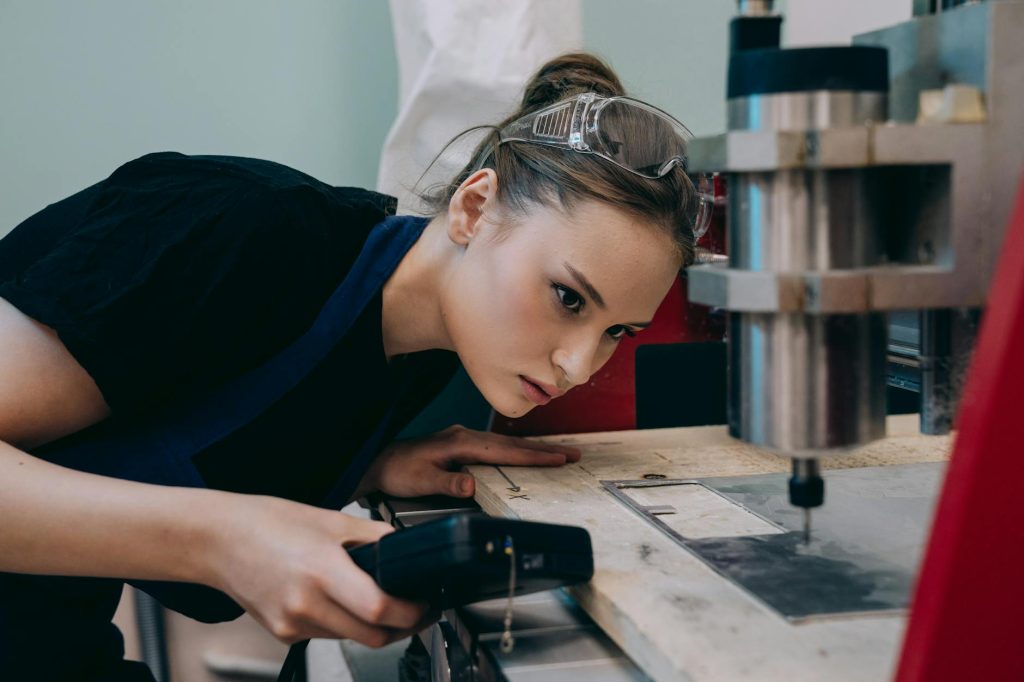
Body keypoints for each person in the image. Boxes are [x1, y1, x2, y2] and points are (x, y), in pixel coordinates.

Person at [0, 53, 703, 681]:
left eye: (618, 330)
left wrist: (362, 466)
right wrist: (221, 541)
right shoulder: (238, 227)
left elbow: (148, 427)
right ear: (474, 207)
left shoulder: (426, 358)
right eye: (566, 297)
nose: (579, 364)